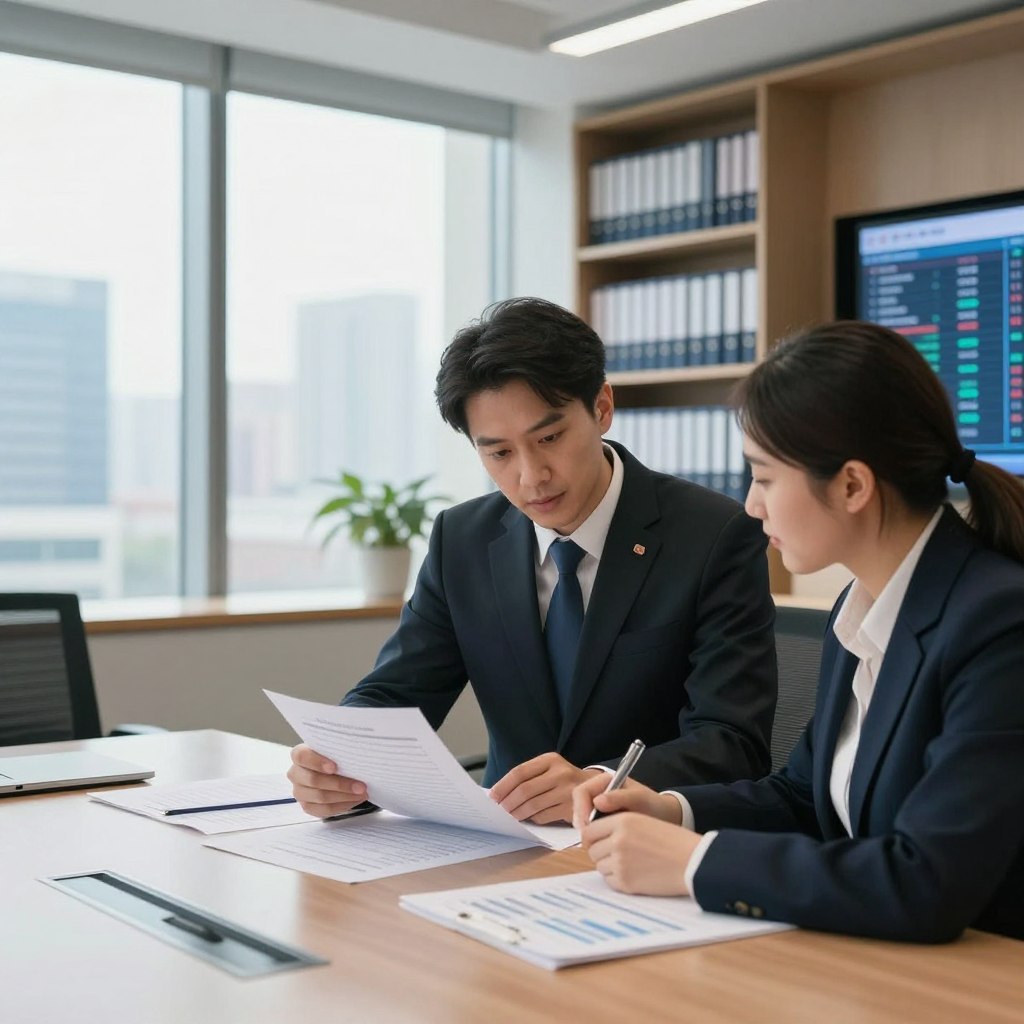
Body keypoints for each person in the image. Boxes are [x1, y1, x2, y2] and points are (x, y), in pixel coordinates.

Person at [573, 319, 1024, 942]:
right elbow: (804, 797)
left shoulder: (998, 624)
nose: (751, 505)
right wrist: (673, 810)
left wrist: (694, 864)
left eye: (763, 477)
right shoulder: (864, 602)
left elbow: (927, 881)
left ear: (852, 484)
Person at [289, 297, 777, 825]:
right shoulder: (463, 539)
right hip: (505, 842)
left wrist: (595, 778)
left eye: (549, 438)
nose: (531, 476)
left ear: (602, 408)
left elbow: (733, 743)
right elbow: (398, 690)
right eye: (499, 453)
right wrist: (342, 762)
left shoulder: (713, 534)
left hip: (641, 841)